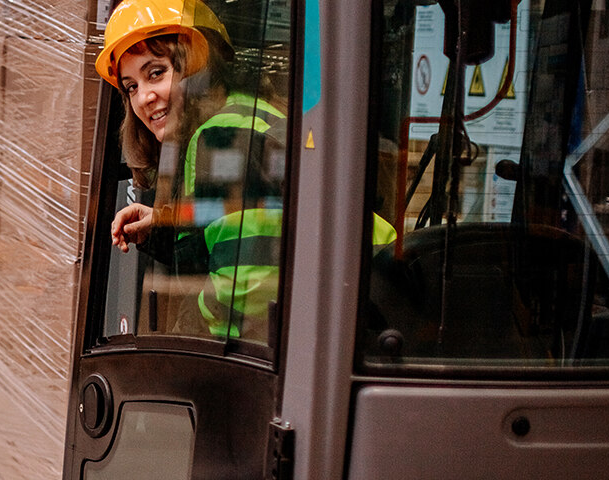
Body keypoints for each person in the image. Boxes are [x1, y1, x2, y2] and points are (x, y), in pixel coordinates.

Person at [100, 0, 396, 340]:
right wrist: (163, 221)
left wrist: (185, 342)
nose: (143, 98)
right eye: (131, 86)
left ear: (200, 67)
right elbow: (234, 230)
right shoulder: (243, 116)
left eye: (156, 73)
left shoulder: (225, 136)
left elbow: (246, 284)